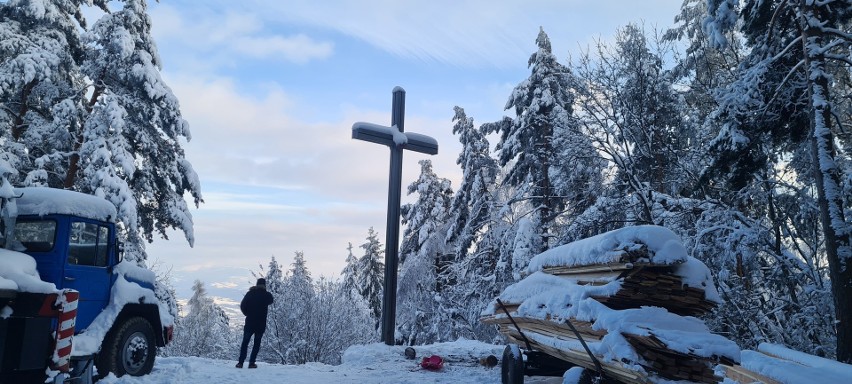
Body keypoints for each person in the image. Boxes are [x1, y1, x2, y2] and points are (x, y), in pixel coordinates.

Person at [236, 278, 274, 368]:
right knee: (256, 344)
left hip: (250, 322)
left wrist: (247, 314)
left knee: (245, 343)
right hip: (260, 324)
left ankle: (240, 362)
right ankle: (252, 363)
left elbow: (242, 305)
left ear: (256, 284)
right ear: (265, 285)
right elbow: (271, 300)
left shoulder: (250, 294)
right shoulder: (266, 295)